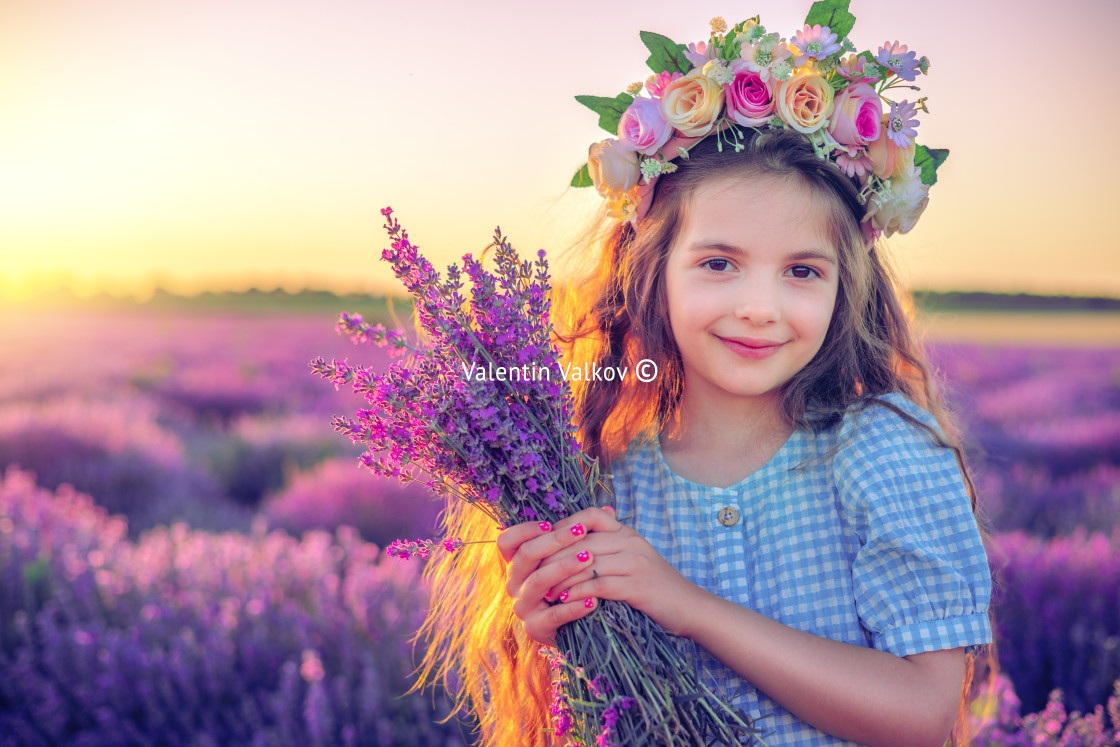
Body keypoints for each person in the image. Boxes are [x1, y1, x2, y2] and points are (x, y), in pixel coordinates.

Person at [410, 13, 993, 747]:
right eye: (719, 263)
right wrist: (563, 634)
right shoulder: (610, 478)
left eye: (802, 272)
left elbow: (920, 714)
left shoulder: (881, 451)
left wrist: (685, 604)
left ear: (847, 286)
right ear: (653, 271)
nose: (759, 307)